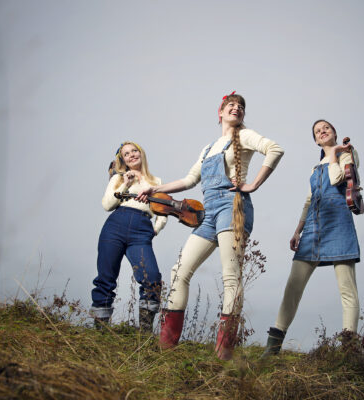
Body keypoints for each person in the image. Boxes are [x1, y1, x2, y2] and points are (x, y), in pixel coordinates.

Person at [137, 92, 284, 360]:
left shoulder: (245, 136)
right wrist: (154, 189)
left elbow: (275, 149)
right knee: (179, 271)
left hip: (233, 206)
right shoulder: (208, 148)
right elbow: (189, 179)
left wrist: (252, 185)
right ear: (220, 112)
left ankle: (224, 353)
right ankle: (166, 347)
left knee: (230, 276)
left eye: (241, 107)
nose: (236, 109)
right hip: (208, 211)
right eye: (231, 105)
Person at [262, 119, 361, 357]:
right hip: (314, 227)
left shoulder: (348, 154)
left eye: (326, 128)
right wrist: (298, 230)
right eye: (318, 131)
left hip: (338, 222)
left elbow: (338, 179)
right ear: (316, 140)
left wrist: (334, 153)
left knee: (347, 289)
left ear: (334, 132)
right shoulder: (315, 168)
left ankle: (348, 349)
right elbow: (309, 200)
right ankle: (273, 348)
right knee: (293, 286)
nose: (322, 131)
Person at [90, 141, 168, 333]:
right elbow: (107, 205)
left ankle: (145, 332)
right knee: (106, 277)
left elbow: (163, 212)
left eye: (135, 150)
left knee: (152, 277)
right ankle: (100, 332)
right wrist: (126, 183)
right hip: (115, 226)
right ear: (122, 160)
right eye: (127, 154)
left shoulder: (156, 181)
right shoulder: (118, 178)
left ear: (141, 153)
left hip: (142, 230)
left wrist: (155, 229)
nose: (132, 155)